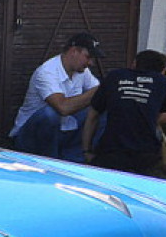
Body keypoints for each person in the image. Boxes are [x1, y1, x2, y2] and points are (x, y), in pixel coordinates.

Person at [82, 50, 166, 189]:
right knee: (151, 124)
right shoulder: (159, 82)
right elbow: (152, 119)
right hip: (141, 150)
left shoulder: (115, 77)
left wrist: (86, 151)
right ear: (163, 72)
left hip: (115, 151)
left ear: (134, 64)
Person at [10, 32, 103, 162]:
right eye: (88, 57)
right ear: (74, 51)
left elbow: (99, 94)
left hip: (62, 132)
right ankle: (50, 161)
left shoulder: (82, 71)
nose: (91, 62)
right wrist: (99, 91)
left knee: (101, 111)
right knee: (50, 114)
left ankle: (76, 159)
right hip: (30, 137)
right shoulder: (47, 71)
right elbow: (62, 107)